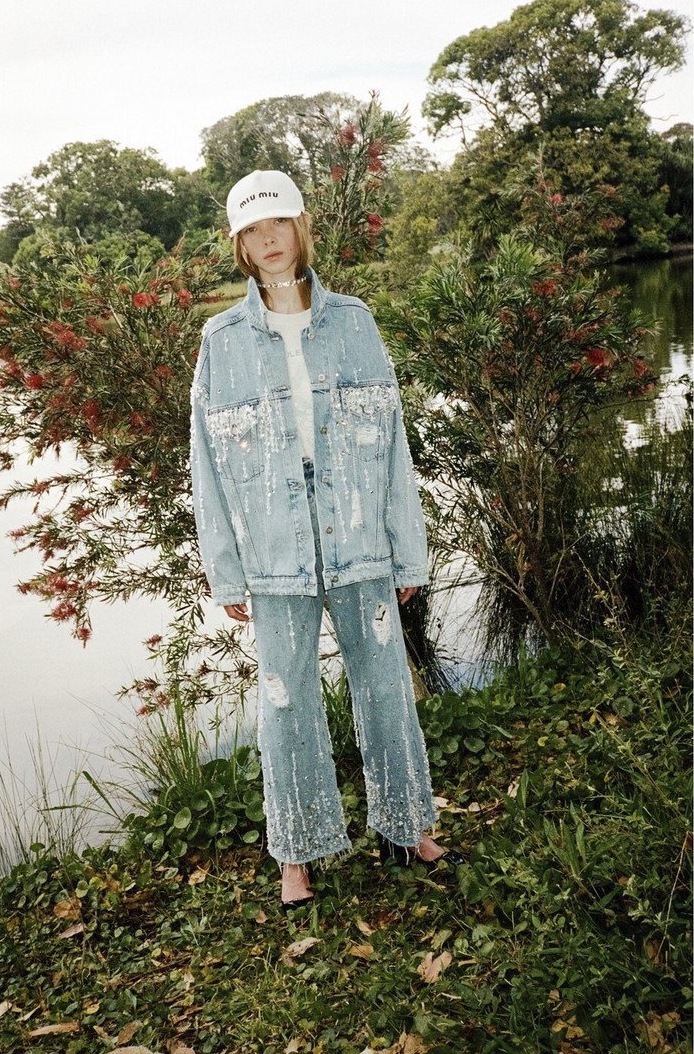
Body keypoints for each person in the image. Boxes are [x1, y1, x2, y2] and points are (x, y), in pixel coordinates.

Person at [189, 169, 459, 909]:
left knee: (384, 689)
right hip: (273, 559)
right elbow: (205, 468)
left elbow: (396, 443)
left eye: (277, 223)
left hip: (360, 543)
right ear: (239, 245)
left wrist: (409, 550)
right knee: (285, 702)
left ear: (300, 228)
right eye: (251, 230)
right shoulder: (220, 341)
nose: (267, 240)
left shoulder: (357, 322)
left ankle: (408, 825)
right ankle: (297, 854)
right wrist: (226, 573)